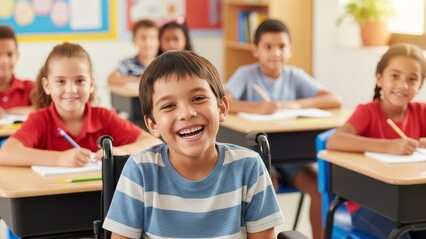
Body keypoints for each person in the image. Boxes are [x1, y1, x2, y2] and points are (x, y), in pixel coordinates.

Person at [102, 51, 285, 238]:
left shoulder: (249, 167)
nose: (187, 113)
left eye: (198, 98)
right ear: (153, 125)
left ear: (221, 109)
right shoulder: (140, 170)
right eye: (168, 106)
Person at [225, 19, 341, 239]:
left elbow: (334, 99)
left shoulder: (294, 75)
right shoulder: (246, 74)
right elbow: (224, 102)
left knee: (319, 189)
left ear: (290, 50)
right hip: (260, 158)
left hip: (292, 159)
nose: (275, 53)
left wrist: (294, 104)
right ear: (255, 50)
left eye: (281, 46)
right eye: (268, 47)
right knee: (267, 188)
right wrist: (259, 108)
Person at [0, 42, 162, 167]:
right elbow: (5, 154)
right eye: (61, 81)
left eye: (79, 81)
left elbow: (154, 142)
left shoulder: (104, 117)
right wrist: (60, 159)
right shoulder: (40, 120)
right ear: (47, 86)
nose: (71, 89)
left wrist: (116, 152)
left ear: (91, 84)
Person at [327, 43, 426, 239]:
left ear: (420, 85)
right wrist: (388, 146)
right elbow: (334, 140)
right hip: (368, 205)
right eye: (395, 76)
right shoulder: (368, 112)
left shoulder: (421, 112)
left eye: (412, 79)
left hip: (410, 204)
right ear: (380, 78)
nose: (403, 85)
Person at [108, 19, 159, 85]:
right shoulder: (128, 63)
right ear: (134, 40)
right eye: (143, 38)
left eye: (152, 37)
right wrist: (137, 80)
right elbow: (111, 79)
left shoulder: (163, 64)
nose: (148, 42)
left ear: (158, 41)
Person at [0, 25, 34, 117]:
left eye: (10, 54)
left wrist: (7, 112)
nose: (4, 61)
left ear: (17, 56)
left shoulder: (30, 87)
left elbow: (43, 109)